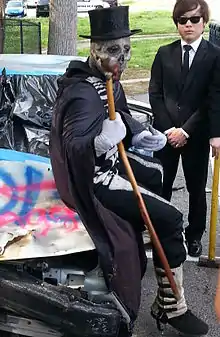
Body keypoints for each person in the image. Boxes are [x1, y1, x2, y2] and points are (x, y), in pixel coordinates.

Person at [50, 6, 208, 336]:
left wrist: (138, 132)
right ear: (94, 50)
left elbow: (121, 112)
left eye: (126, 50)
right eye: (112, 51)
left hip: (113, 163)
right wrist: (98, 142)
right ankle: (171, 305)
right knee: (171, 218)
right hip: (95, 178)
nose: (120, 59)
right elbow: (74, 146)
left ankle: (156, 247)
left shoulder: (108, 80)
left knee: (156, 173)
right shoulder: (82, 93)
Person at [149, 0, 220, 258]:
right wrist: (169, 130)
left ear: (204, 22)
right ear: (176, 23)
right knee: (161, 184)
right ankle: (162, 232)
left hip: (196, 135)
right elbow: (155, 94)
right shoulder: (163, 53)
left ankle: (194, 235)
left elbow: (212, 99)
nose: (188, 24)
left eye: (194, 19)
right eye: (182, 20)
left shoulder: (214, 55)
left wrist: (188, 131)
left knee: (196, 188)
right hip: (166, 135)